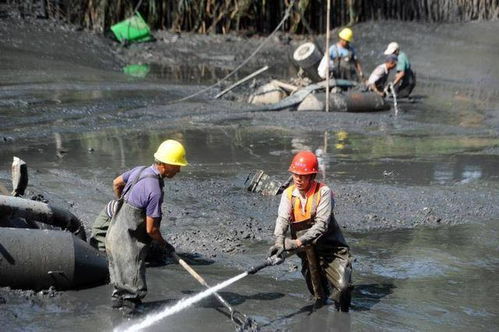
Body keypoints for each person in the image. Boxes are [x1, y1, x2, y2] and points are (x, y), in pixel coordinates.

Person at [105, 139, 188, 313]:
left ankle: (116, 318)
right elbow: (151, 230)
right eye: (176, 165)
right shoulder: (155, 190)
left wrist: (122, 202)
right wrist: (164, 244)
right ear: (165, 164)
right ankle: (131, 319)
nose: (179, 170)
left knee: (119, 286)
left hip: (113, 235)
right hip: (129, 243)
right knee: (132, 294)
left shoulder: (139, 171)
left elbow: (116, 183)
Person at [268, 151, 353, 311]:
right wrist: (279, 241)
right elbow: (282, 219)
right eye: (295, 175)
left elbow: (322, 225)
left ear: (312, 176)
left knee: (343, 289)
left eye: (303, 176)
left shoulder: (324, 192)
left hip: (331, 249)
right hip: (308, 251)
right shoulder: (288, 194)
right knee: (318, 294)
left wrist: (296, 242)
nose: (298, 179)